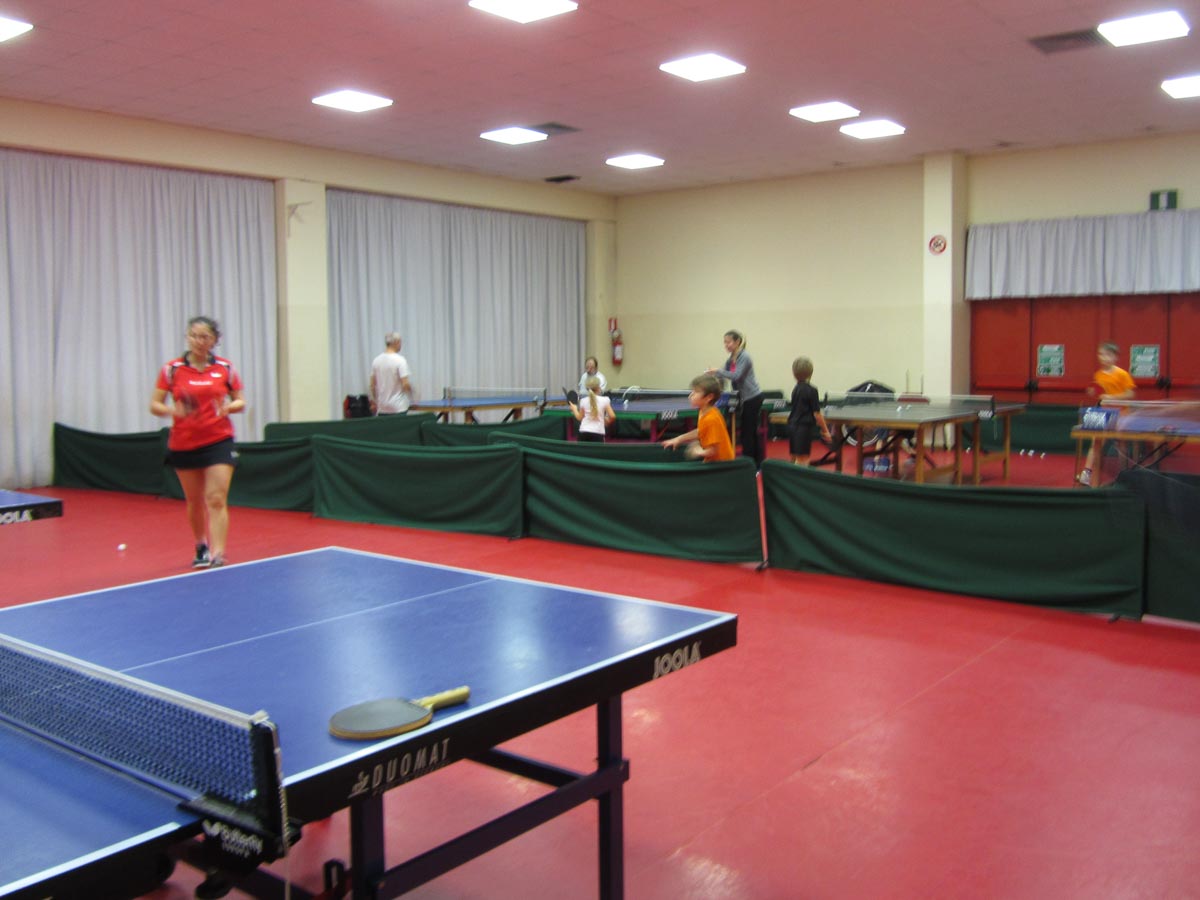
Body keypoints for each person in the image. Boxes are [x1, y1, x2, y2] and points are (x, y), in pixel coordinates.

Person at [150, 316, 245, 569]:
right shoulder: (172, 369)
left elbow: (240, 401)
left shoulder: (225, 368)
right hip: (184, 442)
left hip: (219, 439)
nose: (199, 341)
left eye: (205, 337)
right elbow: (155, 405)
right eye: (194, 336)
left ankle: (218, 553)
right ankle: (201, 544)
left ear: (214, 340)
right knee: (194, 500)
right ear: (187, 338)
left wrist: (229, 407)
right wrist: (174, 411)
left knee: (216, 498)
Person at [1079, 341, 1136, 486]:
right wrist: (1094, 393)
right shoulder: (1098, 375)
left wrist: (1112, 397)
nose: (1104, 358)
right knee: (1095, 443)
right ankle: (1087, 472)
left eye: (1108, 355)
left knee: (1121, 444)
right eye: (1101, 354)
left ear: (1115, 357)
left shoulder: (1122, 374)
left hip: (1121, 414)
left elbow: (1130, 394)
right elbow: (1100, 394)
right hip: (1103, 413)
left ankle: (1124, 474)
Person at [707, 330, 765, 468]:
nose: (726, 345)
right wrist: (712, 377)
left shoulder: (745, 357)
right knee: (748, 431)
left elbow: (736, 375)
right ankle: (754, 462)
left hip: (752, 397)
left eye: (729, 342)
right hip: (742, 398)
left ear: (737, 341)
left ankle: (752, 464)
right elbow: (724, 375)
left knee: (748, 432)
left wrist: (718, 371)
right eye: (725, 343)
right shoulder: (730, 360)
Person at [661, 374, 735, 462]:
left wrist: (697, 451)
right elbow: (701, 431)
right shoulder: (704, 411)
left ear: (709, 397)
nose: (690, 396)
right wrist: (679, 439)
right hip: (713, 461)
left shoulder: (711, 418)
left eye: (696, 392)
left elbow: (713, 451)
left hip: (722, 464)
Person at [788, 356, 832, 465]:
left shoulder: (795, 389)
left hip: (792, 426)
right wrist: (826, 431)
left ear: (794, 374)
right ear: (811, 373)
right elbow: (817, 414)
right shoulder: (812, 390)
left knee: (794, 457)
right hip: (803, 428)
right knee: (803, 460)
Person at [370, 332, 412, 415]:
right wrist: (412, 393)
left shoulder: (376, 361)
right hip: (398, 407)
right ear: (396, 342)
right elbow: (405, 384)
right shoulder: (400, 360)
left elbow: (372, 385)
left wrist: (376, 401)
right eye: (400, 342)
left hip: (382, 408)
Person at [570, 376, 615, 442]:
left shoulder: (583, 401)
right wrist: (607, 422)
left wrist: (574, 409)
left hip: (583, 432)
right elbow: (612, 416)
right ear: (599, 388)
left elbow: (579, 417)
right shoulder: (605, 400)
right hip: (598, 433)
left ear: (587, 389)